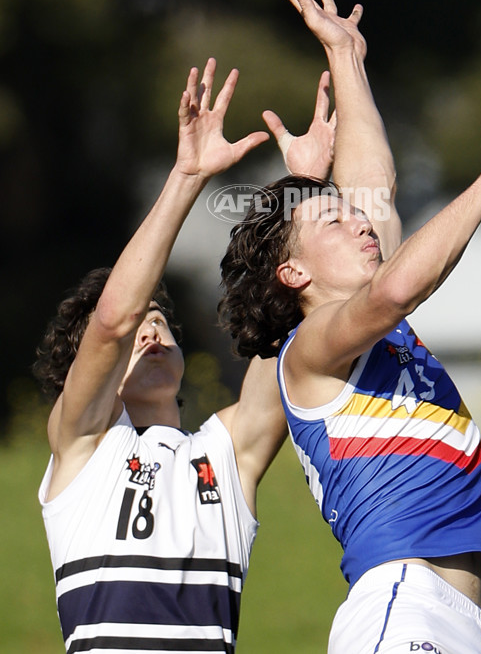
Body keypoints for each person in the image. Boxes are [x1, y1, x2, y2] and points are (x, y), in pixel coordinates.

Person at [219, 0, 481, 654]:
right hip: (405, 608)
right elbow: (399, 287)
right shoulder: (312, 345)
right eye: (332, 217)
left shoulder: (368, 325)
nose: (357, 216)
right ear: (295, 276)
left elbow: (374, 185)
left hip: (460, 620)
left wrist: (346, 56)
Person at [33, 57, 334, 654]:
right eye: (135, 329)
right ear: (89, 374)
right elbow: (114, 320)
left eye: (161, 323)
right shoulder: (83, 446)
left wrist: (303, 194)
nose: (149, 333)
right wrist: (188, 175)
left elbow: (294, 322)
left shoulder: (226, 453)